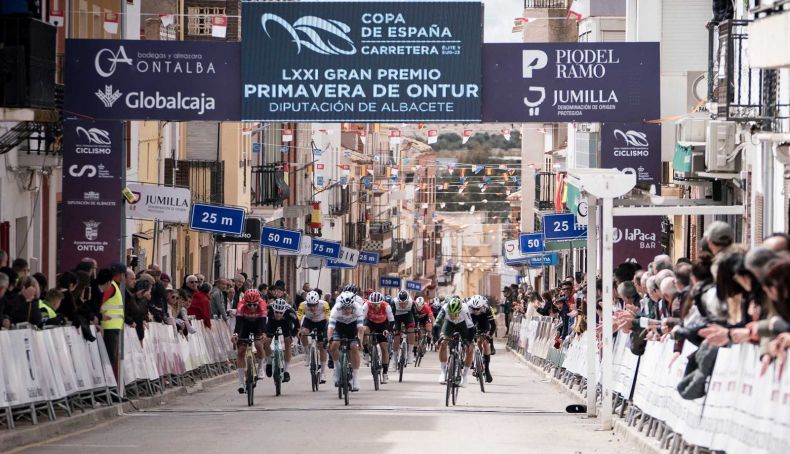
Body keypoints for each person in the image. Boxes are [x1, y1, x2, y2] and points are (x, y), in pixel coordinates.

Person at [327, 291, 364, 391]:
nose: (347, 310)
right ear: (341, 306)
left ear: (352, 306)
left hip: (353, 327)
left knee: (354, 347)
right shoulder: (336, 309)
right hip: (339, 327)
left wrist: (360, 342)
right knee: (334, 344)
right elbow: (331, 327)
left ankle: (355, 378)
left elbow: (360, 329)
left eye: (349, 308)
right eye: (344, 308)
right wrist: (329, 340)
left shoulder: (358, 308)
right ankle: (337, 368)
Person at [232, 289, 267, 394]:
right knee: (241, 351)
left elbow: (263, 323)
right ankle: (241, 382)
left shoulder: (262, 304)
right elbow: (238, 323)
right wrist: (235, 334)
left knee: (258, 344)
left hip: (258, 325)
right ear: (245, 302)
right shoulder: (241, 305)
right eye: (249, 305)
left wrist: (264, 333)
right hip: (245, 325)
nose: (252, 307)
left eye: (254, 305)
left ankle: (260, 368)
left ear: (258, 302)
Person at [434, 296, 475, 386]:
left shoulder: (465, 309)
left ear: (459, 311)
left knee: (470, 349)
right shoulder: (444, 308)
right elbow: (436, 326)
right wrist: (436, 340)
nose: (453, 316)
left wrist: (468, 342)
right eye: (451, 313)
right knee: (443, 343)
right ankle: (443, 372)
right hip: (449, 324)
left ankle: (465, 376)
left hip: (463, 324)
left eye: (455, 314)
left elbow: (471, 328)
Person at [297, 290, 330, 384]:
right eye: (310, 305)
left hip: (322, 322)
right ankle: (307, 354)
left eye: (314, 305)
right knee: (303, 333)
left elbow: (329, 318)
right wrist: (298, 329)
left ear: (318, 302)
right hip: (309, 321)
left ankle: (323, 372)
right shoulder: (302, 305)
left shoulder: (324, 304)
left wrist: (328, 332)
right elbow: (298, 317)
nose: (312, 308)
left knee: (322, 346)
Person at [262, 297, 299, 382]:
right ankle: (269, 362)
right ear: (273, 310)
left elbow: (297, 326)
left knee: (288, 342)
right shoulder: (268, 309)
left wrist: (293, 335)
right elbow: (261, 321)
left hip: (285, 324)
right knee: (266, 342)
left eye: (281, 312)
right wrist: (262, 332)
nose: (278, 314)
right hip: (272, 323)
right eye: (276, 312)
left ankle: (286, 371)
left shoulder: (290, 312)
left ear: (284, 311)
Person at [100, 264, 126, 380]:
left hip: (111, 327)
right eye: (123, 275)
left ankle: (112, 383)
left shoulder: (114, 286)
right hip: (108, 327)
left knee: (112, 357)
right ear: (119, 275)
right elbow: (101, 302)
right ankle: (111, 383)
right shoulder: (111, 286)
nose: (123, 278)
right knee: (110, 358)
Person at [362, 291, 394, 383]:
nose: (375, 306)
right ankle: (366, 352)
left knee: (384, 348)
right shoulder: (366, 305)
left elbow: (392, 321)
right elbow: (361, 318)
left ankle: (385, 373)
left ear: (381, 302)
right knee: (364, 330)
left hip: (382, 325)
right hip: (370, 323)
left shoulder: (386, 306)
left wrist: (388, 330)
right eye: (373, 304)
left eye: (377, 304)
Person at [468, 295, 496, 383]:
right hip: (473, 320)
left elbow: (493, 325)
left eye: (478, 309)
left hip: (484, 321)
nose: (476, 310)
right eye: (474, 308)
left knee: (485, 342)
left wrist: (489, 336)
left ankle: (487, 369)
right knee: (475, 339)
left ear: (482, 306)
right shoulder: (468, 309)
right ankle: (477, 362)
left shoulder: (487, 309)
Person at [391, 290, 417, 365]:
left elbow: (415, 315)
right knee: (396, 336)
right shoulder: (393, 302)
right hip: (396, 317)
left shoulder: (411, 303)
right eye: (401, 303)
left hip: (408, 316)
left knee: (411, 330)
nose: (403, 305)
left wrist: (416, 326)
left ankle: (410, 353)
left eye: (405, 303)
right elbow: (390, 317)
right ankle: (395, 359)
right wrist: (392, 327)